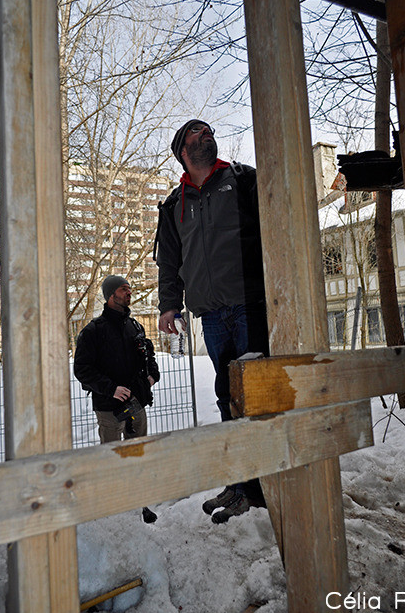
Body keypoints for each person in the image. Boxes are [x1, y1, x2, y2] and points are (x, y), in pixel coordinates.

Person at [155, 119, 269, 523]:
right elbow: (169, 261)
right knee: (227, 397)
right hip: (212, 316)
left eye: (208, 131)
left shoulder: (242, 180)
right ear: (182, 149)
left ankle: (265, 488)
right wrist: (170, 305)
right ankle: (240, 485)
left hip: (250, 304)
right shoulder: (174, 205)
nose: (206, 134)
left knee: (259, 395)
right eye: (195, 132)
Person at [74, 275, 160, 523]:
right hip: (108, 408)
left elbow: (149, 359)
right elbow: (82, 370)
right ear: (111, 295)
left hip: (137, 406)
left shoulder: (135, 327)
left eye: (130, 289)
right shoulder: (92, 332)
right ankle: (112, 507)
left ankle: (140, 503)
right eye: (124, 290)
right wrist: (110, 388)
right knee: (111, 458)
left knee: (137, 455)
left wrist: (150, 379)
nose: (129, 293)